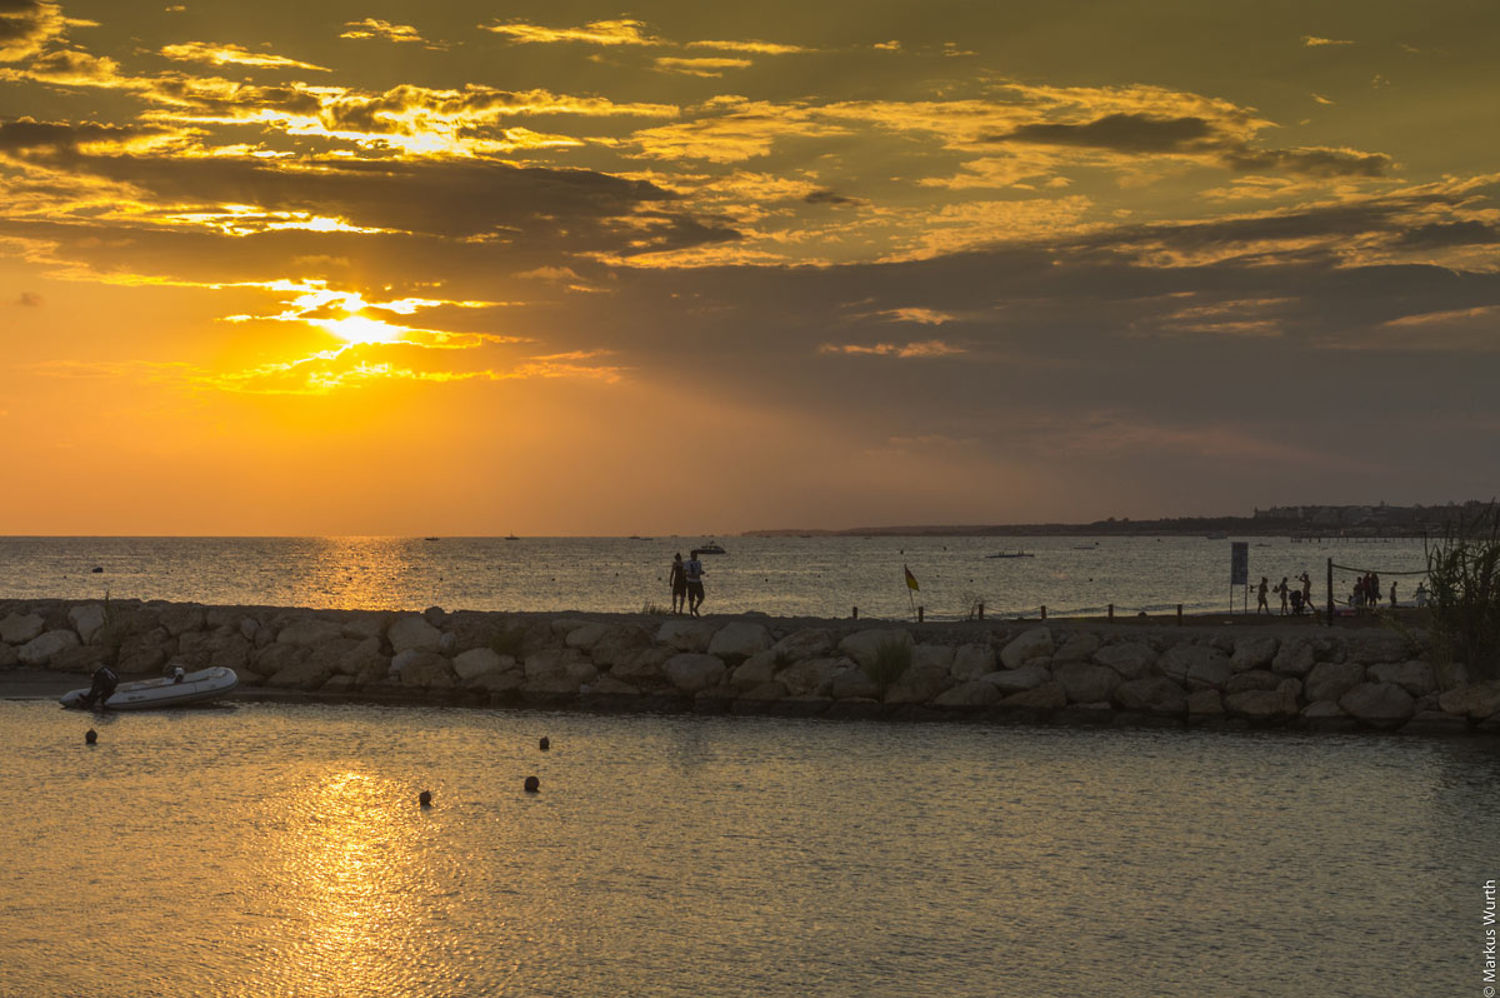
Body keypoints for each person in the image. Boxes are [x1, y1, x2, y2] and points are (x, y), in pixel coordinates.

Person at [684, 550, 706, 617]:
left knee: (701, 597)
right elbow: (684, 573)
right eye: (693, 555)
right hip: (691, 582)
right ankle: (691, 613)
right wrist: (690, 576)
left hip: (698, 582)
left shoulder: (698, 562)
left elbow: (699, 570)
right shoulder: (687, 563)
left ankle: (695, 608)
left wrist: (701, 572)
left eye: (696, 555)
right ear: (691, 555)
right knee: (691, 598)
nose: (695, 556)